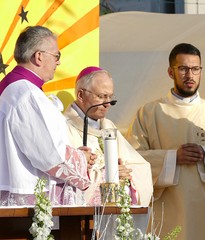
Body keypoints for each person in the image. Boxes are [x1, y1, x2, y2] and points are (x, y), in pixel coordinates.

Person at [125, 43, 205, 240]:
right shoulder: (149, 113)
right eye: (183, 69)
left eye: (195, 69)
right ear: (171, 72)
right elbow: (132, 160)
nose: (190, 75)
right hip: (169, 210)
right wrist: (172, 158)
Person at [0, 26, 96, 206]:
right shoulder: (27, 94)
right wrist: (82, 160)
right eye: (56, 56)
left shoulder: (13, 88)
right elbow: (49, 155)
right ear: (39, 56)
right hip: (27, 200)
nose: (58, 63)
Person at [63, 66, 153, 207]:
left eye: (110, 97)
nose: (107, 104)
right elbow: (65, 174)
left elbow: (140, 167)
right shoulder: (64, 126)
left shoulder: (109, 126)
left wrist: (126, 174)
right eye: (101, 96)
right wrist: (110, 175)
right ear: (80, 95)